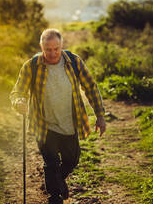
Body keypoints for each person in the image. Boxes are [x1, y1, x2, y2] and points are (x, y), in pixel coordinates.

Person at [10, 28, 106, 204]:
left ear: (62, 46)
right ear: (41, 47)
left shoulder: (74, 62)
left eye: (56, 49)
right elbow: (18, 91)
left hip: (69, 124)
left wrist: (100, 115)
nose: (53, 53)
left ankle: (59, 180)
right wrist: (19, 102)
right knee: (51, 163)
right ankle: (55, 196)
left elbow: (91, 87)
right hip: (44, 126)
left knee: (72, 160)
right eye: (48, 49)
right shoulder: (32, 66)